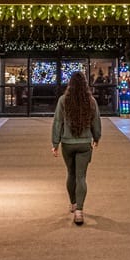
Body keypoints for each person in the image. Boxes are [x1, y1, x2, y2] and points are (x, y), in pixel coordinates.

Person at [51, 71, 101, 225]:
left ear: (70, 84)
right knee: (81, 177)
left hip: (67, 143)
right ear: (85, 84)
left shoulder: (63, 100)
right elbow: (96, 121)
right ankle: (79, 211)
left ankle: (73, 203)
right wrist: (96, 137)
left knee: (71, 173)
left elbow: (58, 122)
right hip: (84, 143)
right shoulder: (91, 101)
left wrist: (55, 143)